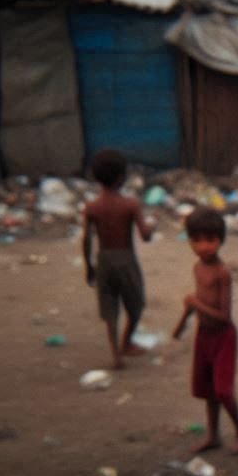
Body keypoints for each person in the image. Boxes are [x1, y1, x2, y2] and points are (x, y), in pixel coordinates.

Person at [172, 206, 238, 454]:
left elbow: (225, 316)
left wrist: (195, 304)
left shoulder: (222, 273)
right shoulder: (198, 268)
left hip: (223, 336)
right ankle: (213, 435)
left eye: (210, 240)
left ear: (220, 240)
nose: (203, 246)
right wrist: (182, 322)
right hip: (203, 334)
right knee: (208, 390)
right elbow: (195, 300)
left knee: (223, 390)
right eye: (196, 240)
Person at [82, 148, 153, 369]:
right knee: (136, 304)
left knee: (109, 306)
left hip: (104, 259)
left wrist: (89, 266)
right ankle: (127, 342)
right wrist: (152, 226)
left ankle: (116, 354)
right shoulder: (131, 204)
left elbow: (86, 240)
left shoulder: (91, 207)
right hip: (126, 259)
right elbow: (145, 236)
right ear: (122, 178)